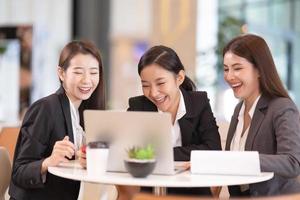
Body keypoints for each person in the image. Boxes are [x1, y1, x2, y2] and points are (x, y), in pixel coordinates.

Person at [9, 40, 105, 200]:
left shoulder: (83, 112)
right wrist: (49, 161)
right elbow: (19, 172)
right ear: (61, 73)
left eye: (94, 73)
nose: (87, 80)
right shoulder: (45, 108)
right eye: (78, 72)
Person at [125, 45, 222, 196]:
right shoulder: (139, 106)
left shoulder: (199, 103)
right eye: (145, 85)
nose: (154, 93)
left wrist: (160, 154)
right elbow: (125, 148)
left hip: (193, 192)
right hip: (150, 193)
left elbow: (213, 149)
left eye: (161, 83)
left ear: (179, 78)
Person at [223, 34, 300, 197]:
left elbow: (293, 162)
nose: (229, 76)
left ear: (259, 70)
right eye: (226, 69)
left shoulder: (282, 107)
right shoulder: (239, 109)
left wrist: (244, 160)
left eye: (237, 68)